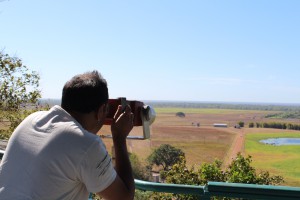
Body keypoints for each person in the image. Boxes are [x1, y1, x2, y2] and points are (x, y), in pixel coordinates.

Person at [0, 71, 135, 200]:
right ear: (101, 111)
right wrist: (119, 137)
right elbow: (123, 197)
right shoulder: (87, 144)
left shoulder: (32, 119)